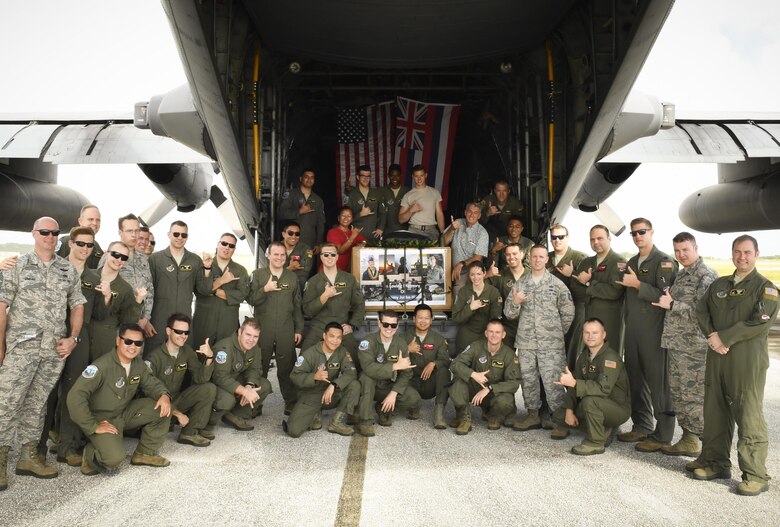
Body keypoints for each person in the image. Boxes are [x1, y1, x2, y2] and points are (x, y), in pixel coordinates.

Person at [0, 217, 86, 489]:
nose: (50, 236)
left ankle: (27, 457)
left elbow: (78, 304)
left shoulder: (67, 270)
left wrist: (73, 338)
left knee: (37, 404)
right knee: (7, 402)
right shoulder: (17, 266)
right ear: (34, 234)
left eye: (55, 232)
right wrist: (0, 346)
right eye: (45, 232)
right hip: (20, 348)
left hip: (52, 351)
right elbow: (1, 306)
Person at [692, 235, 778, 497]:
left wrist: (724, 337)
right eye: (738, 252)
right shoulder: (719, 285)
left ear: (756, 254)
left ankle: (755, 474)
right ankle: (715, 463)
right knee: (715, 409)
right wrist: (712, 336)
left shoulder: (766, 288)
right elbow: (701, 310)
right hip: (717, 356)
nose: (742, 257)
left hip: (746, 360)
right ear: (732, 254)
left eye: (747, 252)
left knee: (748, 413)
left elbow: (760, 322)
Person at [67, 323, 172, 475]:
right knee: (114, 459)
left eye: (138, 343)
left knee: (165, 408)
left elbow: (152, 384)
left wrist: (164, 395)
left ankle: (145, 453)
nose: (133, 346)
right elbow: (74, 397)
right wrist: (93, 426)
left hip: (123, 414)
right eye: (128, 341)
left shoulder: (138, 364)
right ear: (118, 341)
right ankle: (90, 454)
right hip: (101, 419)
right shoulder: (102, 366)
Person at [39, 227, 104, 467]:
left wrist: (107, 297)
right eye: (81, 244)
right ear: (71, 243)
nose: (85, 249)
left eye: (90, 245)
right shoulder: (54, 269)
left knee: (72, 393)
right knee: (44, 392)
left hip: (80, 338)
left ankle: (66, 447)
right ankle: (37, 448)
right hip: (53, 335)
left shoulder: (94, 278)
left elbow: (97, 314)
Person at [653, 232, 718, 457]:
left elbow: (706, 314)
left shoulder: (705, 276)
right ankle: (689, 440)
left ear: (696, 248)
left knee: (695, 399)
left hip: (695, 350)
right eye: (677, 251)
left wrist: (673, 305)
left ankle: (710, 451)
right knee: (679, 394)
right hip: (677, 345)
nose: (681, 255)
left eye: (685, 250)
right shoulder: (682, 275)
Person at [616, 218, 678, 451]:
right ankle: (642, 425)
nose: (637, 236)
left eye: (642, 232)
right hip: (633, 331)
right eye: (634, 233)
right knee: (636, 379)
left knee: (658, 383)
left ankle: (663, 435)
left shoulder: (663, 262)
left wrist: (637, 285)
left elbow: (666, 297)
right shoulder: (632, 261)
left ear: (651, 232)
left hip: (655, 332)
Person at [504, 245, 574, 437]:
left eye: (541, 257)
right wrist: (516, 303)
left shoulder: (557, 285)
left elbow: (568, 312)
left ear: (546, 259)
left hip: (551, 345)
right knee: (528, 381)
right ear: (529, 258)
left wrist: (556, 334)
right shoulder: (521, 284)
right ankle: (532, 415)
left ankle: (560, 421)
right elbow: (508, 313)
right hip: (526, 343)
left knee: (554, 382)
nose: (537, 260)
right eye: (534, 256)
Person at [553, 318, 631, 455]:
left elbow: (602, 389)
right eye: (587, 333)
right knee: (559, 415)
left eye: (595, 333)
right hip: (596, 405)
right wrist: (569, 410)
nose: (590, 336)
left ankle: (596, 442)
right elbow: (575, 384)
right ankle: (604, 428)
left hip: (616, 408)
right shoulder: (584, 356)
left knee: (590, 402)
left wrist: (575, 383)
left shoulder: (610, 359)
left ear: (603, 335)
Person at [247, 242, 303, 416]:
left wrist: (298, 329)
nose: (279, 258)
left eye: (282, 255)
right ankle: (256, 403)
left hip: (285, 329)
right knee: (259, 366)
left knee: (286, 368)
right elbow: (250, 299)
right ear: (268, 255)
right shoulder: (258, 275)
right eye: (276, 254)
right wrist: (265, 289)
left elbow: (297, 306)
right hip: (262, 330)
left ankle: (291, 402)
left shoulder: (291, 277)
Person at [146, 314, 216, 447]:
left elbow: (200, 379)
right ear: (168, 331)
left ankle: (189, 433)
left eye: (186, 332)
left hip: (176, 399)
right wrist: (177, 413)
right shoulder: (154, 357)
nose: (183, 336)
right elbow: (148, 394)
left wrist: (209, 357)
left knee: (208, 388)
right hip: (158, 404)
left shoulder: (187, 351)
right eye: (178, 331)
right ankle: (168, 421)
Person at [286, 322, 360, 438]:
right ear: (324, 336)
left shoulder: (342, 352)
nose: (335, 341)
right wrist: (314, 377)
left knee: (354, 385)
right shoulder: (310, 354)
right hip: (311, 394)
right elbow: (295, 376)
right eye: (331, 336)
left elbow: (351, 373)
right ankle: (315, 414)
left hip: (330, 395)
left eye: (338, 337)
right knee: (293, 431)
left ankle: (336, 423)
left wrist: (334, 385)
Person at [147, 220, 213, 350]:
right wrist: (146, 320)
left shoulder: (195, 260)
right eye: (176, 234)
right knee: (154, 357)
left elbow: (203, 291)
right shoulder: (155, 259)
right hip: (159, 321)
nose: (180, 238)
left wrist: (207, 268)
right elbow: (147, 292)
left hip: (184, 322)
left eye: (184, 235)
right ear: (169, 234)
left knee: (182, 357)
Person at [449, 320, 521, 435]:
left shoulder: (509, 354)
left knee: (506, 400)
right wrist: (473, 374)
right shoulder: (476, 346)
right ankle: (464, 418)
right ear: (486, 333)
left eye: (497, 332)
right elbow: (455, 364)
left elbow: (514, 383)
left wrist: (490, 388)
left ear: (503, 335)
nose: (494, 335)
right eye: (491, 331)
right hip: (475, 387)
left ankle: (492, 415)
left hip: (493, 393)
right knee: (456, 384)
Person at [356, 310, 420, 437]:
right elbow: (368, 368)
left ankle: (383, 408)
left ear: (397, 326)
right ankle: (365, 421)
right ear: (379, 323)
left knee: (414, 399)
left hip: (388, 385)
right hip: (370, 385)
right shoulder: (367, 342)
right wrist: (395, 366)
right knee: (366, 377)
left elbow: (406, 373)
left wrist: (393, 393)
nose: (389, 328)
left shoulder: (400, 343)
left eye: (393, 325)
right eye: (385, 324)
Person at [300, 242, 366, 364]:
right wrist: (324, 296)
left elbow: (359, 305)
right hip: (319, 328)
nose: (329, 257)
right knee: (303, 361)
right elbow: (307, 310)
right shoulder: (313, 282)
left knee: (357, 361)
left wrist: (352, 325)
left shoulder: (349, 279)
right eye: (325, 255)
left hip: (341, 327)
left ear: (337, 256)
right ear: (321, 257)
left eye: (332, 254)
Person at [205, 318, 272, 435]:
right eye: (248, 334)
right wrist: (244, 392)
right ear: (240, 332)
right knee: (227, 400)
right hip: (216, 385)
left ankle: (234, 415)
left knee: (264, 385)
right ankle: (207, 424)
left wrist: (249, 385)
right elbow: (219, 377)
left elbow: (255, 369)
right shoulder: (224, 348)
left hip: (234, 380)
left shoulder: (254, 348)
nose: (251, 340)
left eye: (255, 336)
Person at [570, 225, 626, 356]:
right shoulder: (586, 262)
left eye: (600, 238)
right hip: (589, 319)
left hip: (610, 322)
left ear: (609, 238)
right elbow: (575, 287)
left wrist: (588, 284)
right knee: (589, 357)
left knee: (610, 358)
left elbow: (614, 291)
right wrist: (594, 292)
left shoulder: (619, 263)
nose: (595, 242)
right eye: (592, 239)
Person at [99, 214, 155, 337]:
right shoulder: (110, 257)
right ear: (120, 232)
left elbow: (149, 290)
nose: (134, 235)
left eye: (136, 231)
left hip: (138, 325)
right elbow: (101, 291)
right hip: (115, 326)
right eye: (130, 231)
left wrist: (145, 319)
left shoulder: (143, 259)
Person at [192, 233, 249, 348]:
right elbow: (200, 290)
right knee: (199, 356)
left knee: (225, 357)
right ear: (217, 245)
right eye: (224, 243)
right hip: (204, 321)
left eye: (231, 246)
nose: (227, 247)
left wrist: (213, 290)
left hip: (227, 322)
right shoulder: (203, 266)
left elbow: (241, 295)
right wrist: (222, 280)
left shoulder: (240, 270)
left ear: (234, 249)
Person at [90, 242, 145, 360]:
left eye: (124, 257)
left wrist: (138, 301)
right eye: (115, 254)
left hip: (104, 342)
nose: (119, 259)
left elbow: (128, 320)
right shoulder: (88, 276)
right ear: (106, 254)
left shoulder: (125, 288)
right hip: (82, 337)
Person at [546, 224, 588, 368]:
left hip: (576, 308)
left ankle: (571, 383)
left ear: (567, 238)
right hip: (552, 311)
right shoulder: (546, 258)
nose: (557, 240)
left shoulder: (580, 258)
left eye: (561, 237)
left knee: (572, 349)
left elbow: (588, 286)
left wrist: (572, 274)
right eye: (554, 237)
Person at [403, 304, 451, 428]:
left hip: (430, 383)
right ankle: (413, 407)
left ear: (431, 320)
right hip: (410, 382)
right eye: (420, 317)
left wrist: (434, 363)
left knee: (444, 371)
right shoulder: (403, 337)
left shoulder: (438, 339)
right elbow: (391, 358)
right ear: (414, 319)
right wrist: (407, 350)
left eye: (426, 318)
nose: (423, 321)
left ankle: (439, 414)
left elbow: (446, 360)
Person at [451, 262, 502, 354]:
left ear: (484, 273)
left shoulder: (493, 292)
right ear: (469, 276)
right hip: (466, 338)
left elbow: (495, 319)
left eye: (478, 274)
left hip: (486, 337)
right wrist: (470, 308)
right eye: (472, 274)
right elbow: (455, 318)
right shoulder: (463, 291)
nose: (475, 278)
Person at [443, 202, 489, 296]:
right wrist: (451, 229)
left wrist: (461, 264)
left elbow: (478, 258)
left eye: (475, 213)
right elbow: (444, 242)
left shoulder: (482, 233)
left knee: (459, 292)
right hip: (448, 268)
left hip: (468, 272)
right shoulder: (458, 222)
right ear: (465, 212)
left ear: (479, 216)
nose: (472, 215)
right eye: (470, 211)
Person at [278, 168, 327, 252]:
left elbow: (320, 224)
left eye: (312, 177)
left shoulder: (318, 200)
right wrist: (299, 211)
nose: (309, 179)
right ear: (301, 178)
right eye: (306, 177)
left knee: (308, 264)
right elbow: (280, 213)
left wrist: (319, 243)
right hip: (290, 240)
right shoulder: (291, 194)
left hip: (309, 242)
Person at [487, 243, 526, 347]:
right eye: (508, 254)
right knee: (506, 360)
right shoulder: (500, 275)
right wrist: (487, 274)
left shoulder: (532, 275)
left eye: (514, 253)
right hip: (508, 327)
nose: (511, 257)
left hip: (529, 327)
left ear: (522, 254)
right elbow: (477, 285)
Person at [398, 164, 445, 241]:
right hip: (414, 230)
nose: (419, 179)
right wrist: (411, 210)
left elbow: (439, 214)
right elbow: (400, 219)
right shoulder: (408, 195)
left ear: (426, 175)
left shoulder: (435, 192)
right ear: (413, 176)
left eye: (421, 175)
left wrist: (443, 233)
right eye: (416, 176)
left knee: (432, 253)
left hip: (431, 231)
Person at [347, 164, 386, 246]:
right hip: (356, 235)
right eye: (363, 176)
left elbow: (383, 212)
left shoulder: (376, 193)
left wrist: (380, 228)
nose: (366, 179)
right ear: (357, 177)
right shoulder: (351, 194)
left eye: (368, 176)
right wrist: (361, 214)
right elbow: (346, 217)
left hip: (373, 235)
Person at [326, 207, 367, 272]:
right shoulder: (332, 232)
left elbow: (365, 241)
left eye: (349, 216)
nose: (346, 218)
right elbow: (340, 251)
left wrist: (362, 244)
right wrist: (352, 237)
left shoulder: (352, 232)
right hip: (334, 270)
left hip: (347, 271)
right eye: (343, 216)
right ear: (338, 218)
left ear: (352, 219)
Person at [281, 221, 314, 291]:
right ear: (283, 234)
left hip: (297, 288)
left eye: (297, 234)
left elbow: (304, 272)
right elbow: (271, 271)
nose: (294, 236)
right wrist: (289, 269)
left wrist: (282, 270)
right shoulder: (274, 248)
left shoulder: (307, 250)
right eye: (290, 233)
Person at [380, 163, 410, 236]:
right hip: (387, 232)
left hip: (404, 232)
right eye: (392, 175)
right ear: (388, 175)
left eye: (397, 175)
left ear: (401, 175)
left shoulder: (408, 191)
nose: (395, 178)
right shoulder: (381, 191)